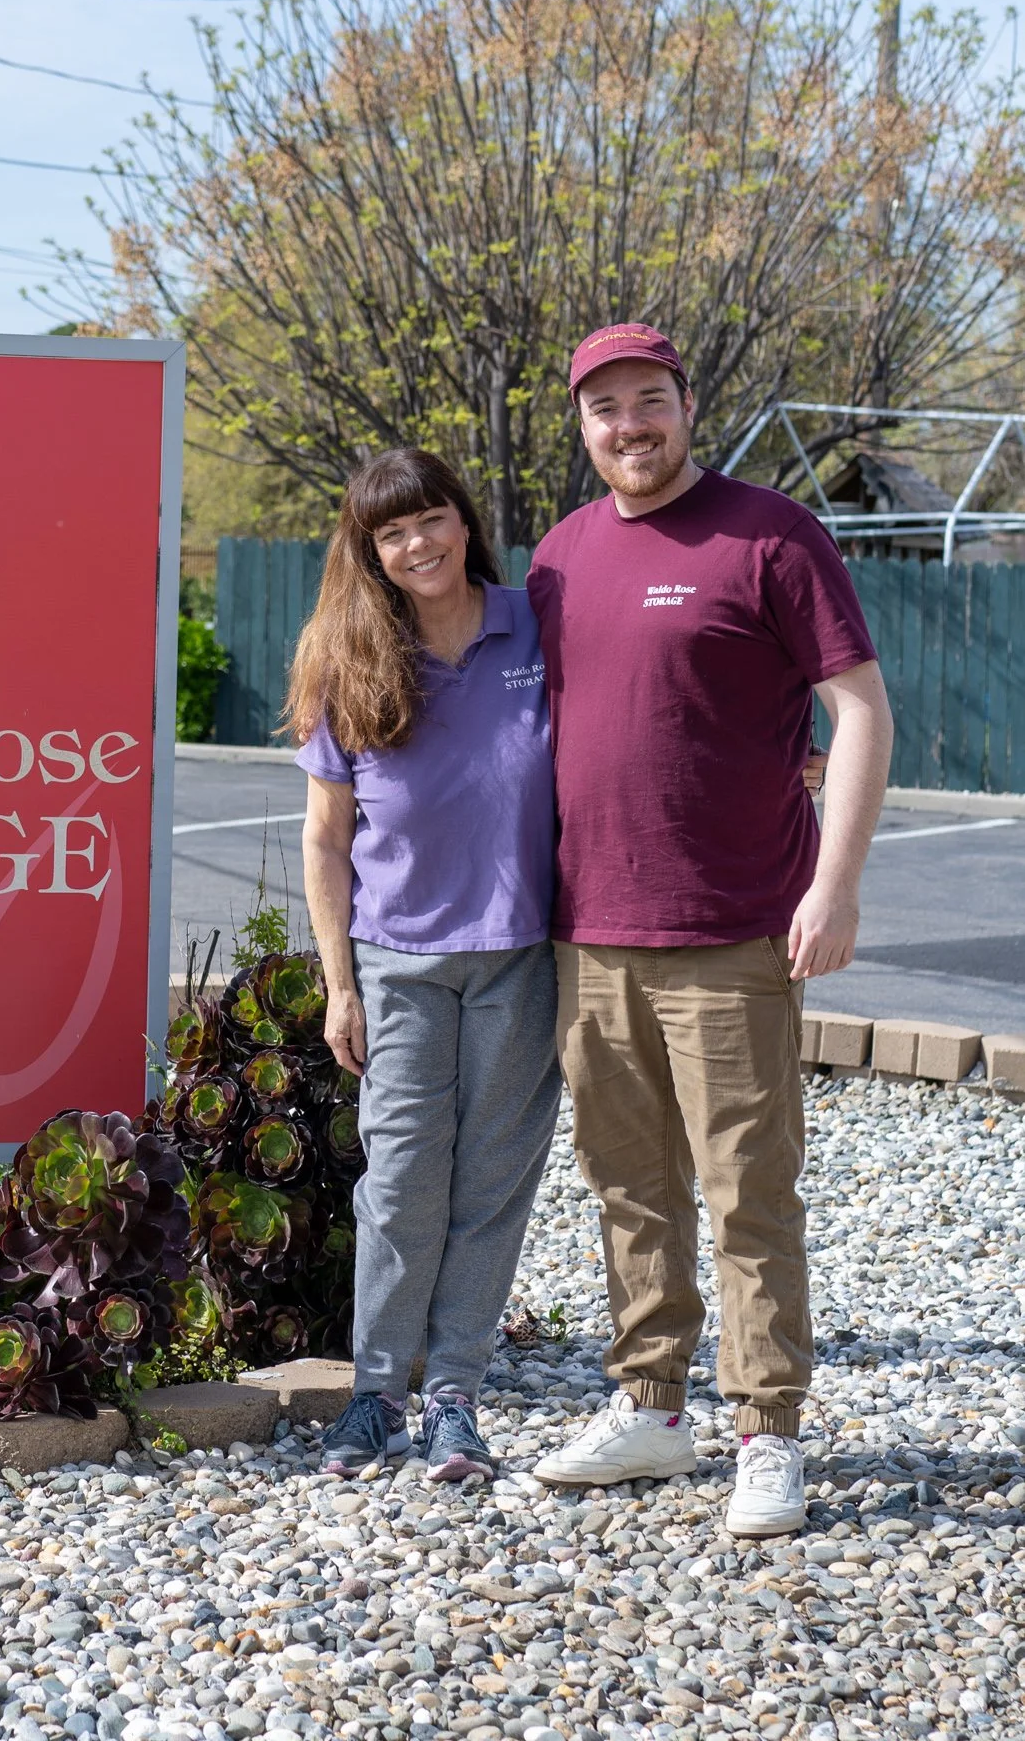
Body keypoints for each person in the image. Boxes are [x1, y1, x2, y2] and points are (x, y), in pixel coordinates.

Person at [526, 323, 893, 1538]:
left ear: (687, 405)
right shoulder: (559, 556)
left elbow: (859, 709)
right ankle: (651, 1406)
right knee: (627, 1186)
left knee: (746, 1192)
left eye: (649, 400)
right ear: (582, 426)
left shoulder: (770, 534)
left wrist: (834, 884)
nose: (628, 424)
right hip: (590, 929)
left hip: (735, 930)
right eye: (605, 408)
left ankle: (766, 1427)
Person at [293, 448, 561, 1481]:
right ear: (370, 552)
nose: (418, 544)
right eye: (393, 532)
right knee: (401, 1181)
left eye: (432, 518)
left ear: (464, 519)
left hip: (520, 958)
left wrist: (780, 750)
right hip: (397, 963)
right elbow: (326, 838)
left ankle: (454, 1398)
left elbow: (653, 704)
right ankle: (376, 1398)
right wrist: (340, 984)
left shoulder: (536, 624)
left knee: (490, 1185)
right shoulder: (349, 659)